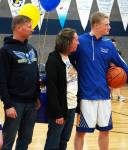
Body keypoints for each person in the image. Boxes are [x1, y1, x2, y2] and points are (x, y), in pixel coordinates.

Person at [70, 11, 128, 150]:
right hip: (85, 96)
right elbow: (68, 62)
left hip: (104, 96)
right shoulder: (80, 42)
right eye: (106, 25)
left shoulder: (109, 45)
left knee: (105, 131)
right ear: (96, 25)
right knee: (81, 132)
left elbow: (124, 66)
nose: (109, 28)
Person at [0, 15, 40, 150]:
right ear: (18, 27)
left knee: (26, 139)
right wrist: (8, 104)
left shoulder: (32, 49)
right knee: (8, 141)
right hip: (15, 103)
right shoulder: (5, 51)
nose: (32, 30)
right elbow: (1, 80)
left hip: (31, 103)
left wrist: (37, 96)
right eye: (29, 26)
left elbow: (35, 75)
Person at [44, 28, 79, 150]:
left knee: (64, 140)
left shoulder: (71, 58)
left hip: (72, 106)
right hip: (59, 110)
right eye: (76, 40)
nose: (78, 43)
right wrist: (57, 113)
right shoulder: (53, 60)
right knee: (53, 142)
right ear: (68, 41)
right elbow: (52, 90)